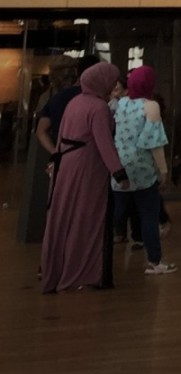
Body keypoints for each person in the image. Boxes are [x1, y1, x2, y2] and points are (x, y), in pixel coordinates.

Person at [41, 62, 128, 293]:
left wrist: (57, 160)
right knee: (87, 219)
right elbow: (104, 143)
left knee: (65, 217)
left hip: (67, 164)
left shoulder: (75, 102)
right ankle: (83, 274)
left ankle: (58, 272)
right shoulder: (98, 107)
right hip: (88, 169)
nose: (113, 85)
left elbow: (60, 134)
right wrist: (119, 173)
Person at [111, 65, 174, 275]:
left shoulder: (120, 103)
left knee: (116, 213)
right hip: (143, 168)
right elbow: (154, 143)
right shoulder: (151, 106)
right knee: (148, 214)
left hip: (119, 166)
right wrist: (163, 171)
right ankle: (154, 261)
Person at [33, 55, 80, 161]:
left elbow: (41, 130)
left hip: (60, 149)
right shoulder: (84, 94)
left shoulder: (51, 98)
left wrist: (55, 152)